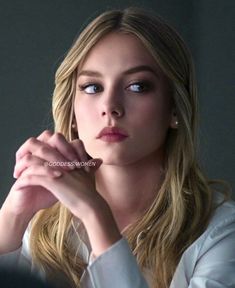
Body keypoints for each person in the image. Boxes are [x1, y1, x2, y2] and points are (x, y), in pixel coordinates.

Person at [0, 6, 234, 288]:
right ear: (72, 111)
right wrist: (12, 218)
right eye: (92, 87)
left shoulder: (221, 230)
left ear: (174, 107)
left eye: (137, 86)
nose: (110, 106)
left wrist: (96, 216)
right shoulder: (36, 228)